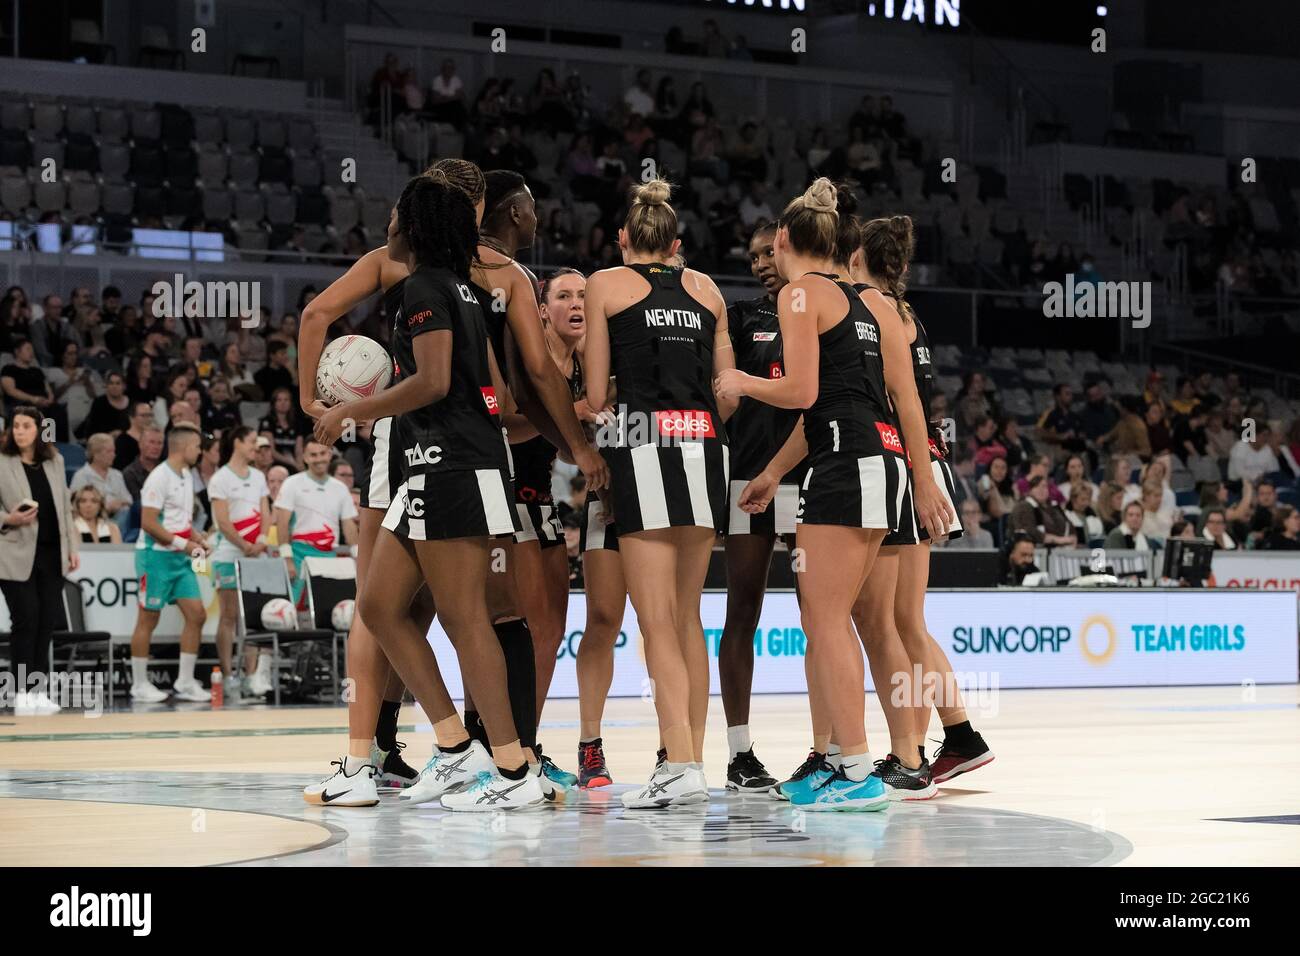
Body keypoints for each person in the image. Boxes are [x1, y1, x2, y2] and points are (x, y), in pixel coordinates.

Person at [314, 170, 544, 811]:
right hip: (439, 464)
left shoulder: (422, 287)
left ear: (413, 227)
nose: (386, 224)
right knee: (380, 605)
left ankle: (512, 769)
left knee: (467, 619)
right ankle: (452, 746)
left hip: (453, 468)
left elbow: (435, 381)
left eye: (395, 215)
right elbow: (489, 388)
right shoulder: (465, 288)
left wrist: (354, 412)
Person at [722, 184, 951, 811]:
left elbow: (798, 391)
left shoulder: (799, 294)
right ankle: (882, 758)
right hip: (888, 465)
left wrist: (740, 379)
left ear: (784, 243)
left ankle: (854, 768)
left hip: (842, 467)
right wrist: (925, 481)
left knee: (825, 623)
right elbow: (905, 401)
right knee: (868, 623)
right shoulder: (878, 305)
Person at [585, 178, 736, 808]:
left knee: (655, 624)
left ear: (623, 238)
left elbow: (595, 398)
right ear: (676, 244)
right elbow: (726, 391)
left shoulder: (605, 285)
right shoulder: (708, 290)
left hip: (644, 445)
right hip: (705, 446)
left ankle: (678, 764)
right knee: (689, 619)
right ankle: (692, 758)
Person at [847, 213, 990, 792]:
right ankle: (947, 740)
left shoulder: (874, 314)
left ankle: (938, 744)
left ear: (856, 258)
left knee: (898, 620)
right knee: (907, 620)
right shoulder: (906, 313)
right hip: (923, 459)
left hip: (905, 461)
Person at [500, 268, 586, 778]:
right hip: (505, 501)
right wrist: (569, 417)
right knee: (517, 628)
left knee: (551, 630)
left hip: (543, 501)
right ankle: (507, 748)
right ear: (542, 310)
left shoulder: (587, 366)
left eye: (583, 296)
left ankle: (527, 745)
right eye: (564, 296)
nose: (576, 304)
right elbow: (505, 430)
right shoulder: (526, 360)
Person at [716, 221, 792, 793]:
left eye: (769, 252)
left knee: (827, 618)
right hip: (748, 478)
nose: (761, 262)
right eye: (753, 256)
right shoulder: (741, 318)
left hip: (809, 478)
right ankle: (740, 753)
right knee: (742, 611)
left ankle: (834, 750)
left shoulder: (826, 308)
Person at [0, 407, 80, 715]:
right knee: (26, 619)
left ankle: (37, 689)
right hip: (13, 552)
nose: (19, 431)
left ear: (39, 430)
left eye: (25, 426)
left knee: (46, 621)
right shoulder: (3, 461)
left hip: (51, 552)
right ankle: (20, 690)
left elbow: (63, 506)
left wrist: (72, 547)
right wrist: (10, 517)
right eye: (15, 426)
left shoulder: (55, 460)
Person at [129, 422, 210, 702]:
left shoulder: (188, 475)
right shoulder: (158, 478)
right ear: (186, 447)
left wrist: (198, 539)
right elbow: (148, 523)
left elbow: (181, 521)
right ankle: (139, 685)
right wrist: (185, 544)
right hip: (155, 558)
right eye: (198, 447)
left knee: (197, 614)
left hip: (180, 557)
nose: (201, 452)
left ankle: (185, 682)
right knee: (148, 618)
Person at [207, 426, 271, 692]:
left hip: (256, 553)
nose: (255, 447)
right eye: (251, 442)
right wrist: (244, 544)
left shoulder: (258, 476)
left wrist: (262, 541)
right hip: (228, 554)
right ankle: (229, 673)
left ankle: (253, 674)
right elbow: (222, 521)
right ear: (236, 443)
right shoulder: (220, 478)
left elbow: (266, 512)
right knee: (229, 616)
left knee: (255, 616)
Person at [69, 433, 132, 526]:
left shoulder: (117, 475)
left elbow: (128, 500)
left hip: (120, 516)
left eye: (114, 451)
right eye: (109, 451)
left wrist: (119, 504)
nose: (114, 455)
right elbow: (77, 507)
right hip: (95, 520)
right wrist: (107, 507)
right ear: (96, 454)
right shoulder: (81, 476)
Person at [259, 387, 307, 472]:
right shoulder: (267, 422)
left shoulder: (297, 423)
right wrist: (292, 463)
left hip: (293, 464)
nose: (283, 403)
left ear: (291, 403)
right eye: (279, 400)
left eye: (286, 400)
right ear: (274, 403)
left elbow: (299, 451)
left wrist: (300, 465)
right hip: (274, 464)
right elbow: (271, 451)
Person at [78, 371, 132, 440]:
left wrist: (122, 433)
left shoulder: (131, 404)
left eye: (118, 383)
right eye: (111, 383)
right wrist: (109, 435)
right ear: (107, 386)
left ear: (124, 386)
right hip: (104, 442)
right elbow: (91, 430)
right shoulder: (99, 403)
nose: (114, 386)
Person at [123, 425, 165, 504]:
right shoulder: (130, 473)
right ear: (140, 444)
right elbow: (138, 502)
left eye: (159, 443)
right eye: (151, 442)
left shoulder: (167, 470)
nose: (156, 447)